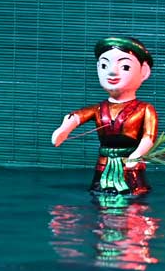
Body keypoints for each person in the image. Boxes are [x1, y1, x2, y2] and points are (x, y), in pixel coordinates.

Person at [51, 37, 158, 196]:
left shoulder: (145, 109)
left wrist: (136, 155)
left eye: (125, 66)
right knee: (100, 198)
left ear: (143, 72)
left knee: (134, 199)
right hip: (104, 164)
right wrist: (65, 129)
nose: (112, 72)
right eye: (104, 65)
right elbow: (78, 116)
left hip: (130, 166)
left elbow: (149, 136)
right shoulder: (99, 109)